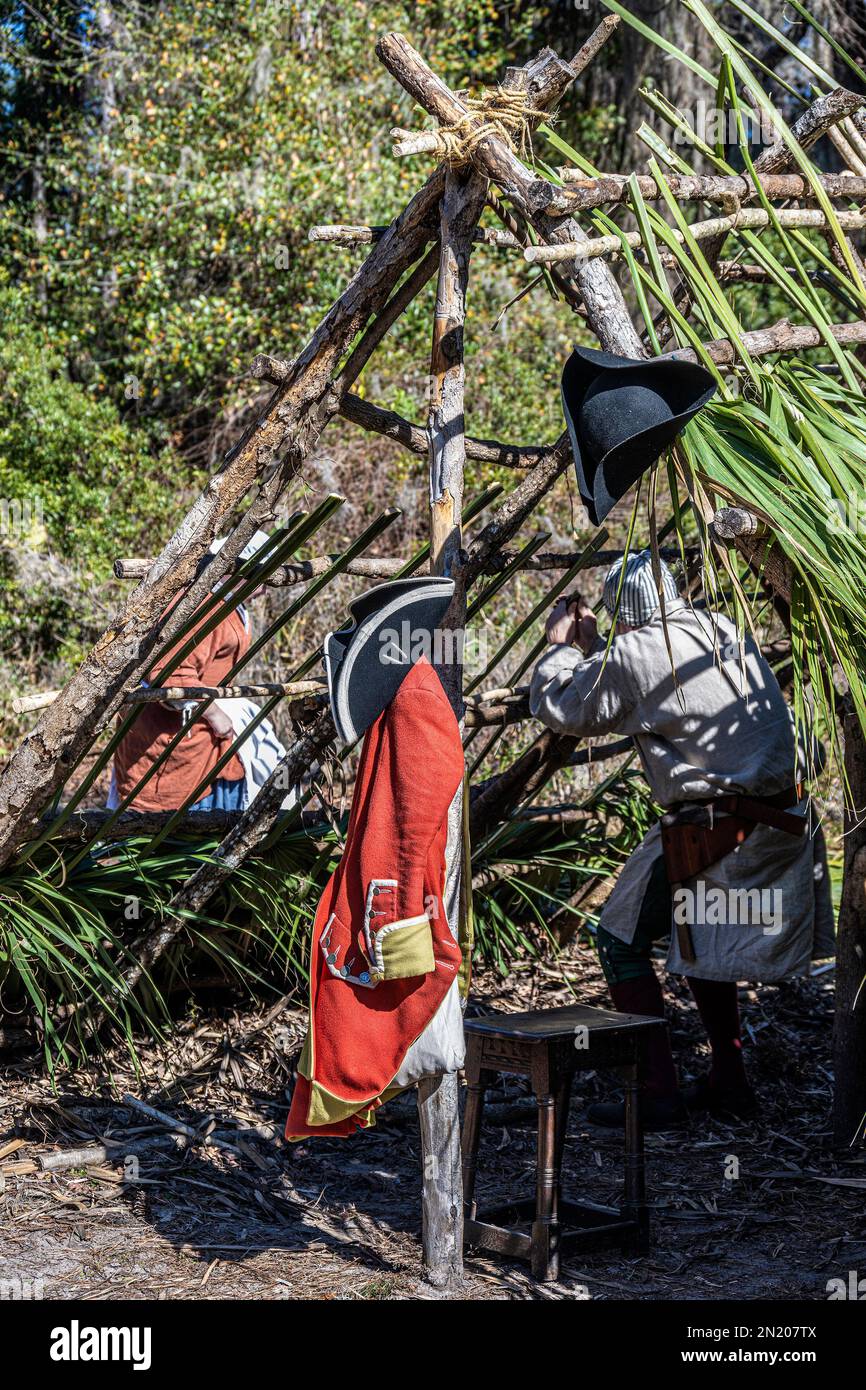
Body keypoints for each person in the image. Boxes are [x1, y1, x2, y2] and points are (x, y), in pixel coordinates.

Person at [530, 549, 834, 1130]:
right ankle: (728, 1079)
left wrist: (562, 647)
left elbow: (569, 707)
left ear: (623, 612)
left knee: (620, 941)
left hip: (720, 826)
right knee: (697, 935)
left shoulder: (636, 652)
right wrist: (601, 651)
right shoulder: (718, 626)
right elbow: (645, 683)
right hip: (779, 819)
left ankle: (655, 1093)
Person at [110, 532, 270, 813]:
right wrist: (215, 714)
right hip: (173, 740)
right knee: (174, 832)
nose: (266, 589)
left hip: (200, 741)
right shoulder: (202, 606)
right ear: (239, 571)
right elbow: (171, 675)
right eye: (263, 579)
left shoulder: (227, 602)